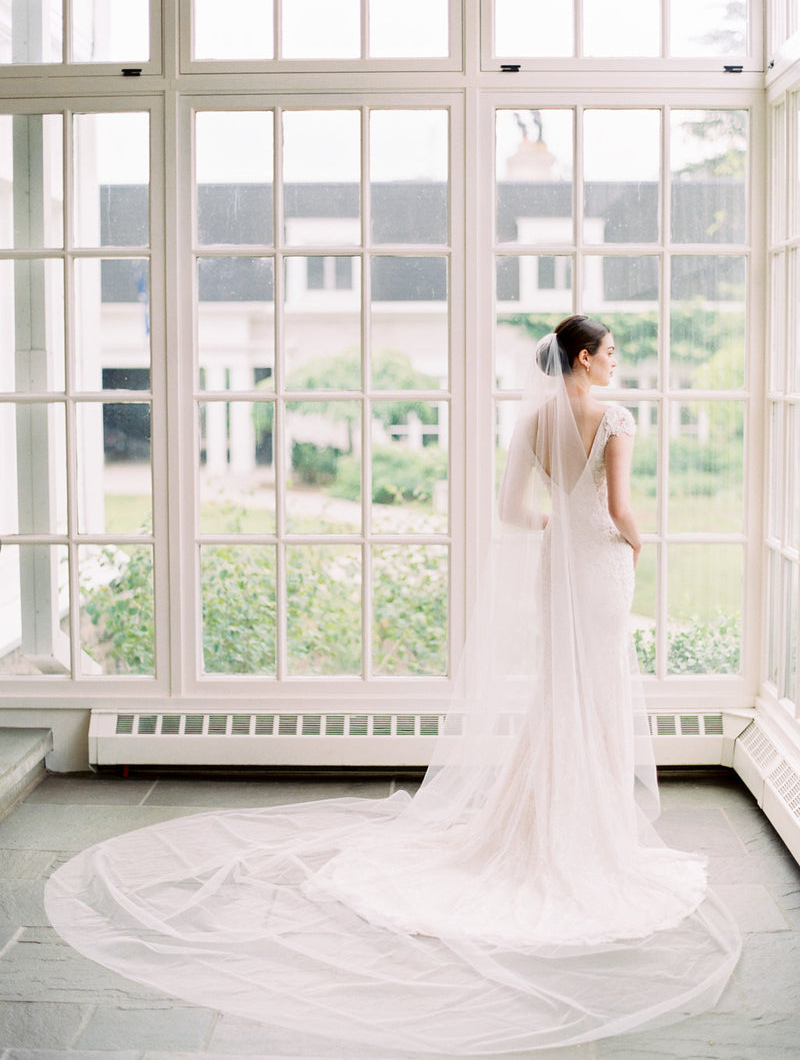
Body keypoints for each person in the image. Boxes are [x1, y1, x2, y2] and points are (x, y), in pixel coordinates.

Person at [45, 317, 740, 1055]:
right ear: (583, 356)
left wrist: (556, 525)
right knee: (595, 694)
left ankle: (547, 823)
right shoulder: (614, 417)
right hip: (599, 565)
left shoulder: (534, 420)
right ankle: (591, 832)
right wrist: (635, 541)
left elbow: (512, 510)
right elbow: (625, 507)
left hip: (557, 566)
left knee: (558, 693)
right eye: (610, 351)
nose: (616, 361)